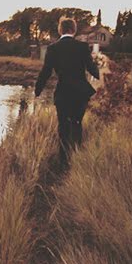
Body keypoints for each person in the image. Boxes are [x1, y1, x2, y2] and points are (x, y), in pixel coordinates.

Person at [34, 17, 100, 163]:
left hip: (63, 93)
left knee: (63, 126)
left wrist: (37, 90)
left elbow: (45, 72)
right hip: (81, 93)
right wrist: (104, 77)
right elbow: (92, 69)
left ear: (60, 30)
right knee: (77, 123)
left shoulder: (52, 49)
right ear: (74, 30)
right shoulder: (82, 47)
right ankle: (76, 158)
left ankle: (63, 160)